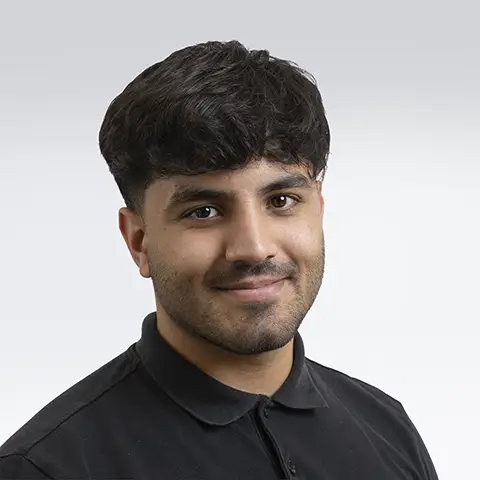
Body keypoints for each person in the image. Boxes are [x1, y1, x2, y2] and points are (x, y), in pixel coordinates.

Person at [0, 40, 438, 479]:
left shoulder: (387, 428)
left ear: (318, 210)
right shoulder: (45, 469)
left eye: (281, 200)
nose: (253, 247)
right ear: (139, 241)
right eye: (204, 211)